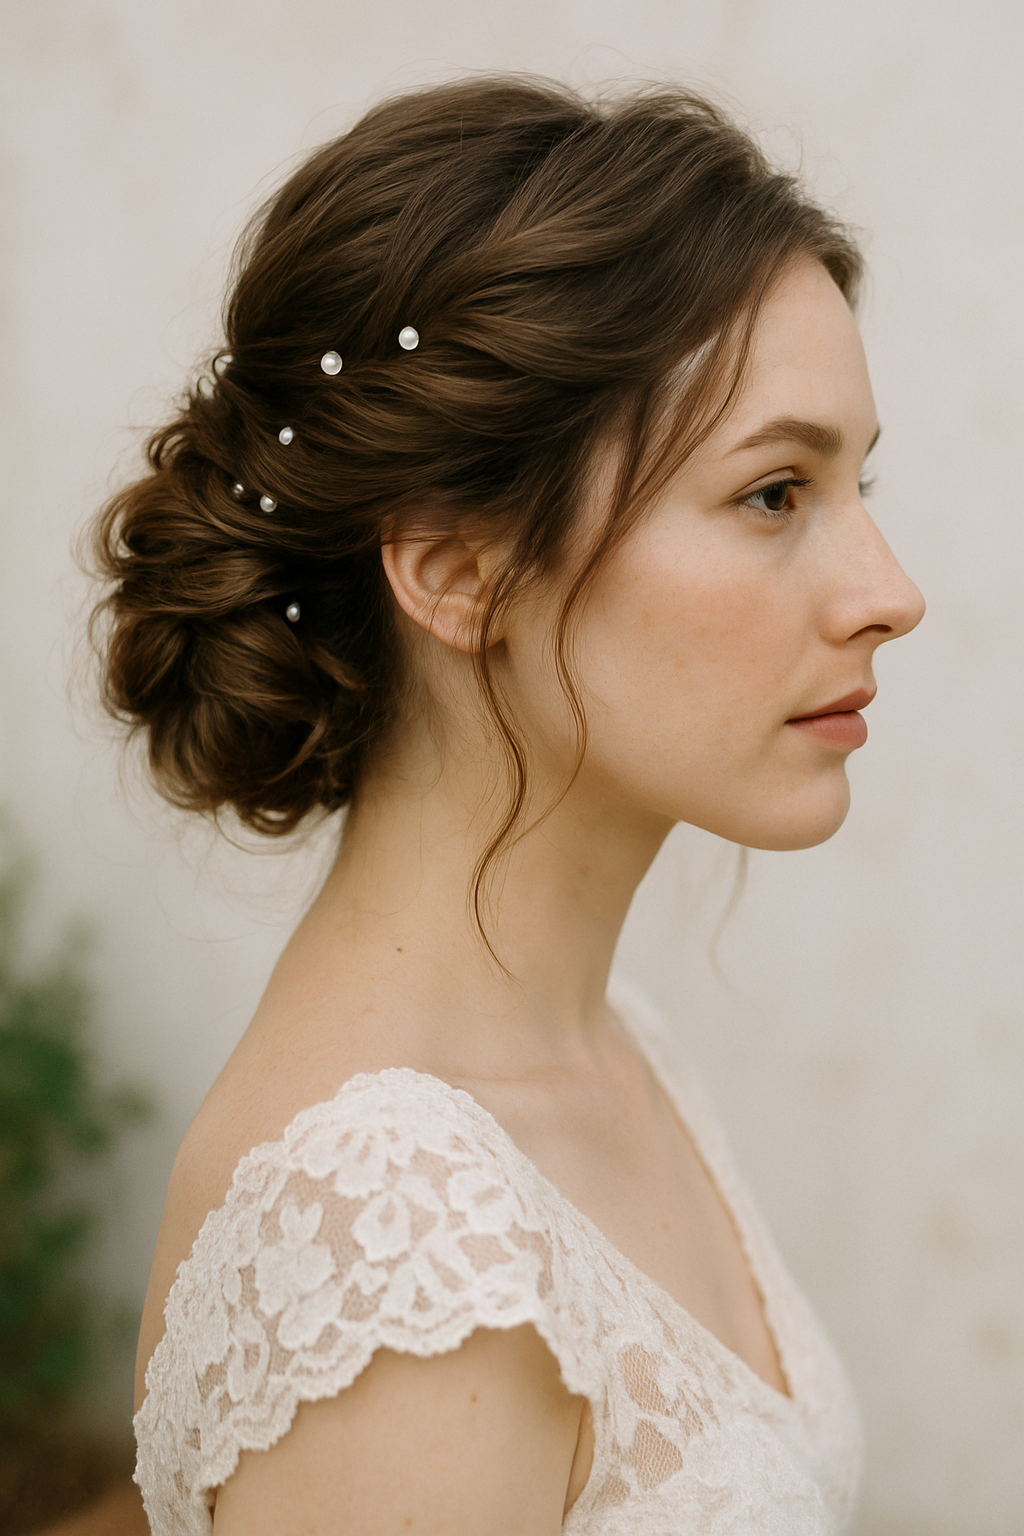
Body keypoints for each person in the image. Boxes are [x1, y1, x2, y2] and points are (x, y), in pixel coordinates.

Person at [91, 77, 925, 1535]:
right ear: (458, 572)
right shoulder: (386, 1230)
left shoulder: (612, 1046)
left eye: (859, 484)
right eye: (775, 493)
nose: (890, 593)